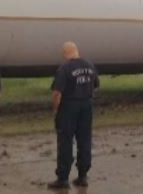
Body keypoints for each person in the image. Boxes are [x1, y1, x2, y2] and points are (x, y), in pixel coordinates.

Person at [47, 42, 99, 190]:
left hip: (69, 107)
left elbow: (57, 93)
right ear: (77, 51)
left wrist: (55, 110)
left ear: (64, 53)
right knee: (84, 140)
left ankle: (63, 178)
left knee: (65, 142)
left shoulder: (65, 68)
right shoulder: (90, 65)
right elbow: (96, 85)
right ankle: (82, 176)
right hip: (86, 106)